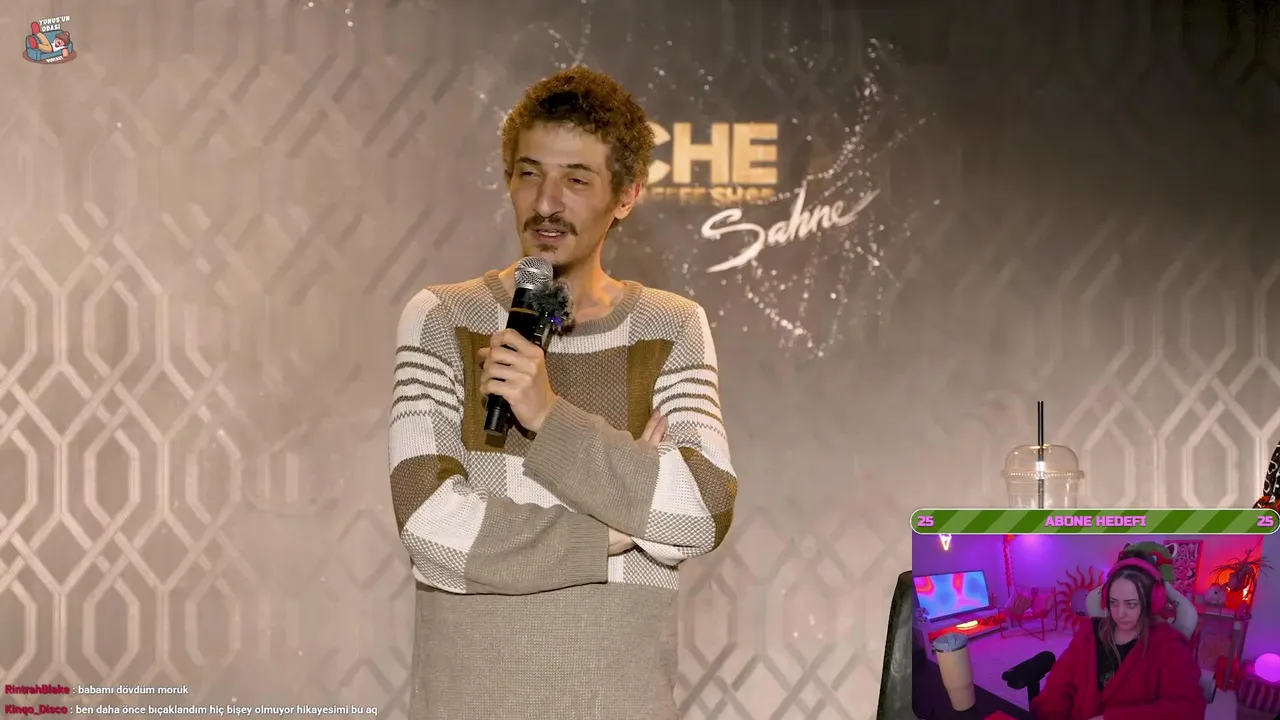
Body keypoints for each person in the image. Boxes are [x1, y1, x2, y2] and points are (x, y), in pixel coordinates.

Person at [388, 66, 739, 720]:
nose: (546, 202)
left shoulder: (671, 326)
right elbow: (430, 528)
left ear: (626, 195)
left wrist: (548, 415)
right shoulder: (442, 317)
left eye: (576, 180)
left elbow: (697, 515)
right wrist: (613, 531)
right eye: (529, 174)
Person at [1029, 549, 1206, 720]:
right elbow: (1060, 684)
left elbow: (1189, 710)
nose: (1120, 614)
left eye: (1131, 604)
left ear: (1152, 602)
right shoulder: (1089, 632)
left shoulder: (1169, 647)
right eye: (1114, 603)